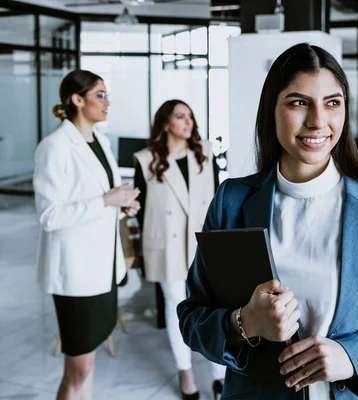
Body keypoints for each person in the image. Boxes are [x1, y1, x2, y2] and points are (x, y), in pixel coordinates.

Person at [177, 43, 358, 400]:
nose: (318, 120)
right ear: (271, 109)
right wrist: (245, 322)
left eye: (332, 103)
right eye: (299, 102)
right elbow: (192, 316)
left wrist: (352, 357)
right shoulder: (232, 201)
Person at [34, 70, 140, 400]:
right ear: (77, 100)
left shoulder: (100, 142)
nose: (108, 102)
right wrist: (106, 201)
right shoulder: (54, 147)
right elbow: (50, 216)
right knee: (78, 369)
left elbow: (97, 199)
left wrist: (119, 206)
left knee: (90, 364)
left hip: (103, 270)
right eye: (100, 95)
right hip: (76, 274)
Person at [133, 100, 225, 400]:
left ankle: (220, 374)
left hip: (203, 243)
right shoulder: (145, 160)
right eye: (181, 116)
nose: (189, 122)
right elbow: (141, 208)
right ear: (165, 123)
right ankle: (185, 374)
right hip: (166, 244)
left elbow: (215, 201)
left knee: (212, 306)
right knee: (175, 306)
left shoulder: (205, 153)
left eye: (191, 117)